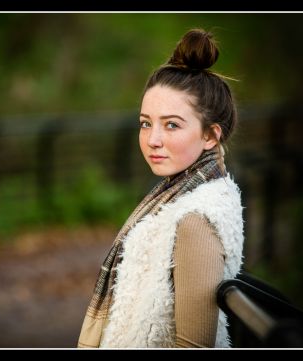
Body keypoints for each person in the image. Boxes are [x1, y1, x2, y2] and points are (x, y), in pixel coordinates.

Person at [77, 29, 244, 348]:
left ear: (210, 135)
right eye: (145, 123)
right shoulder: (182, 196)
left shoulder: (198, 218)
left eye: (171, 125)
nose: (153, 139)